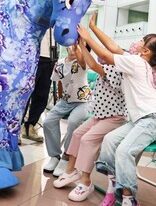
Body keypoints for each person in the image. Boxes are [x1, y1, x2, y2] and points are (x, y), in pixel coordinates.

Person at [78, 25, 156, 206]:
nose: (137, 42)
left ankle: (128, 198)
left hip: (152, 119)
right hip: (139, 120)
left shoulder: (137, 63)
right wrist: (92, 30)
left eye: (142, 41)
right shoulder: (137, 61)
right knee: (110, 140)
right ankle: (115, 178)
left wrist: (88, 38)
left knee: (124, 151)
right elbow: (111, 46)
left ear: (145, 50)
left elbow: (105, 55)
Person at [53, 40, 128, 202]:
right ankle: (71, 170)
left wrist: (83, 43)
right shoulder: (106, 68)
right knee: (78, 133)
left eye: (105, 52)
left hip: (115, 118)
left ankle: (86, 181)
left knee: (87, 140)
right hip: (99, 115)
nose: (102, 54)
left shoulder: (117, 71)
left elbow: (92, 65)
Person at [43, 44, 91, 177]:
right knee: (48, 121)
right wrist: (59, 99)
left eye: (78, 46)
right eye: (71, 45)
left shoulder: (83, 62)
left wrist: (78, 48)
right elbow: (58, 81)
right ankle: (54, 156)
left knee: (73, 122)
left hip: (83, 102)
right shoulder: (59, 64)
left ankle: (66, 157)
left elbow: (81, 60)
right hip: (65, 101)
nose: (73, 48)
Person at [20, 29, 56, 144]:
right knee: (25, 95)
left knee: (42, 96)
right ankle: (15, 129)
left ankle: (30, 126)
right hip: (31, 56)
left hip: (49, 57)